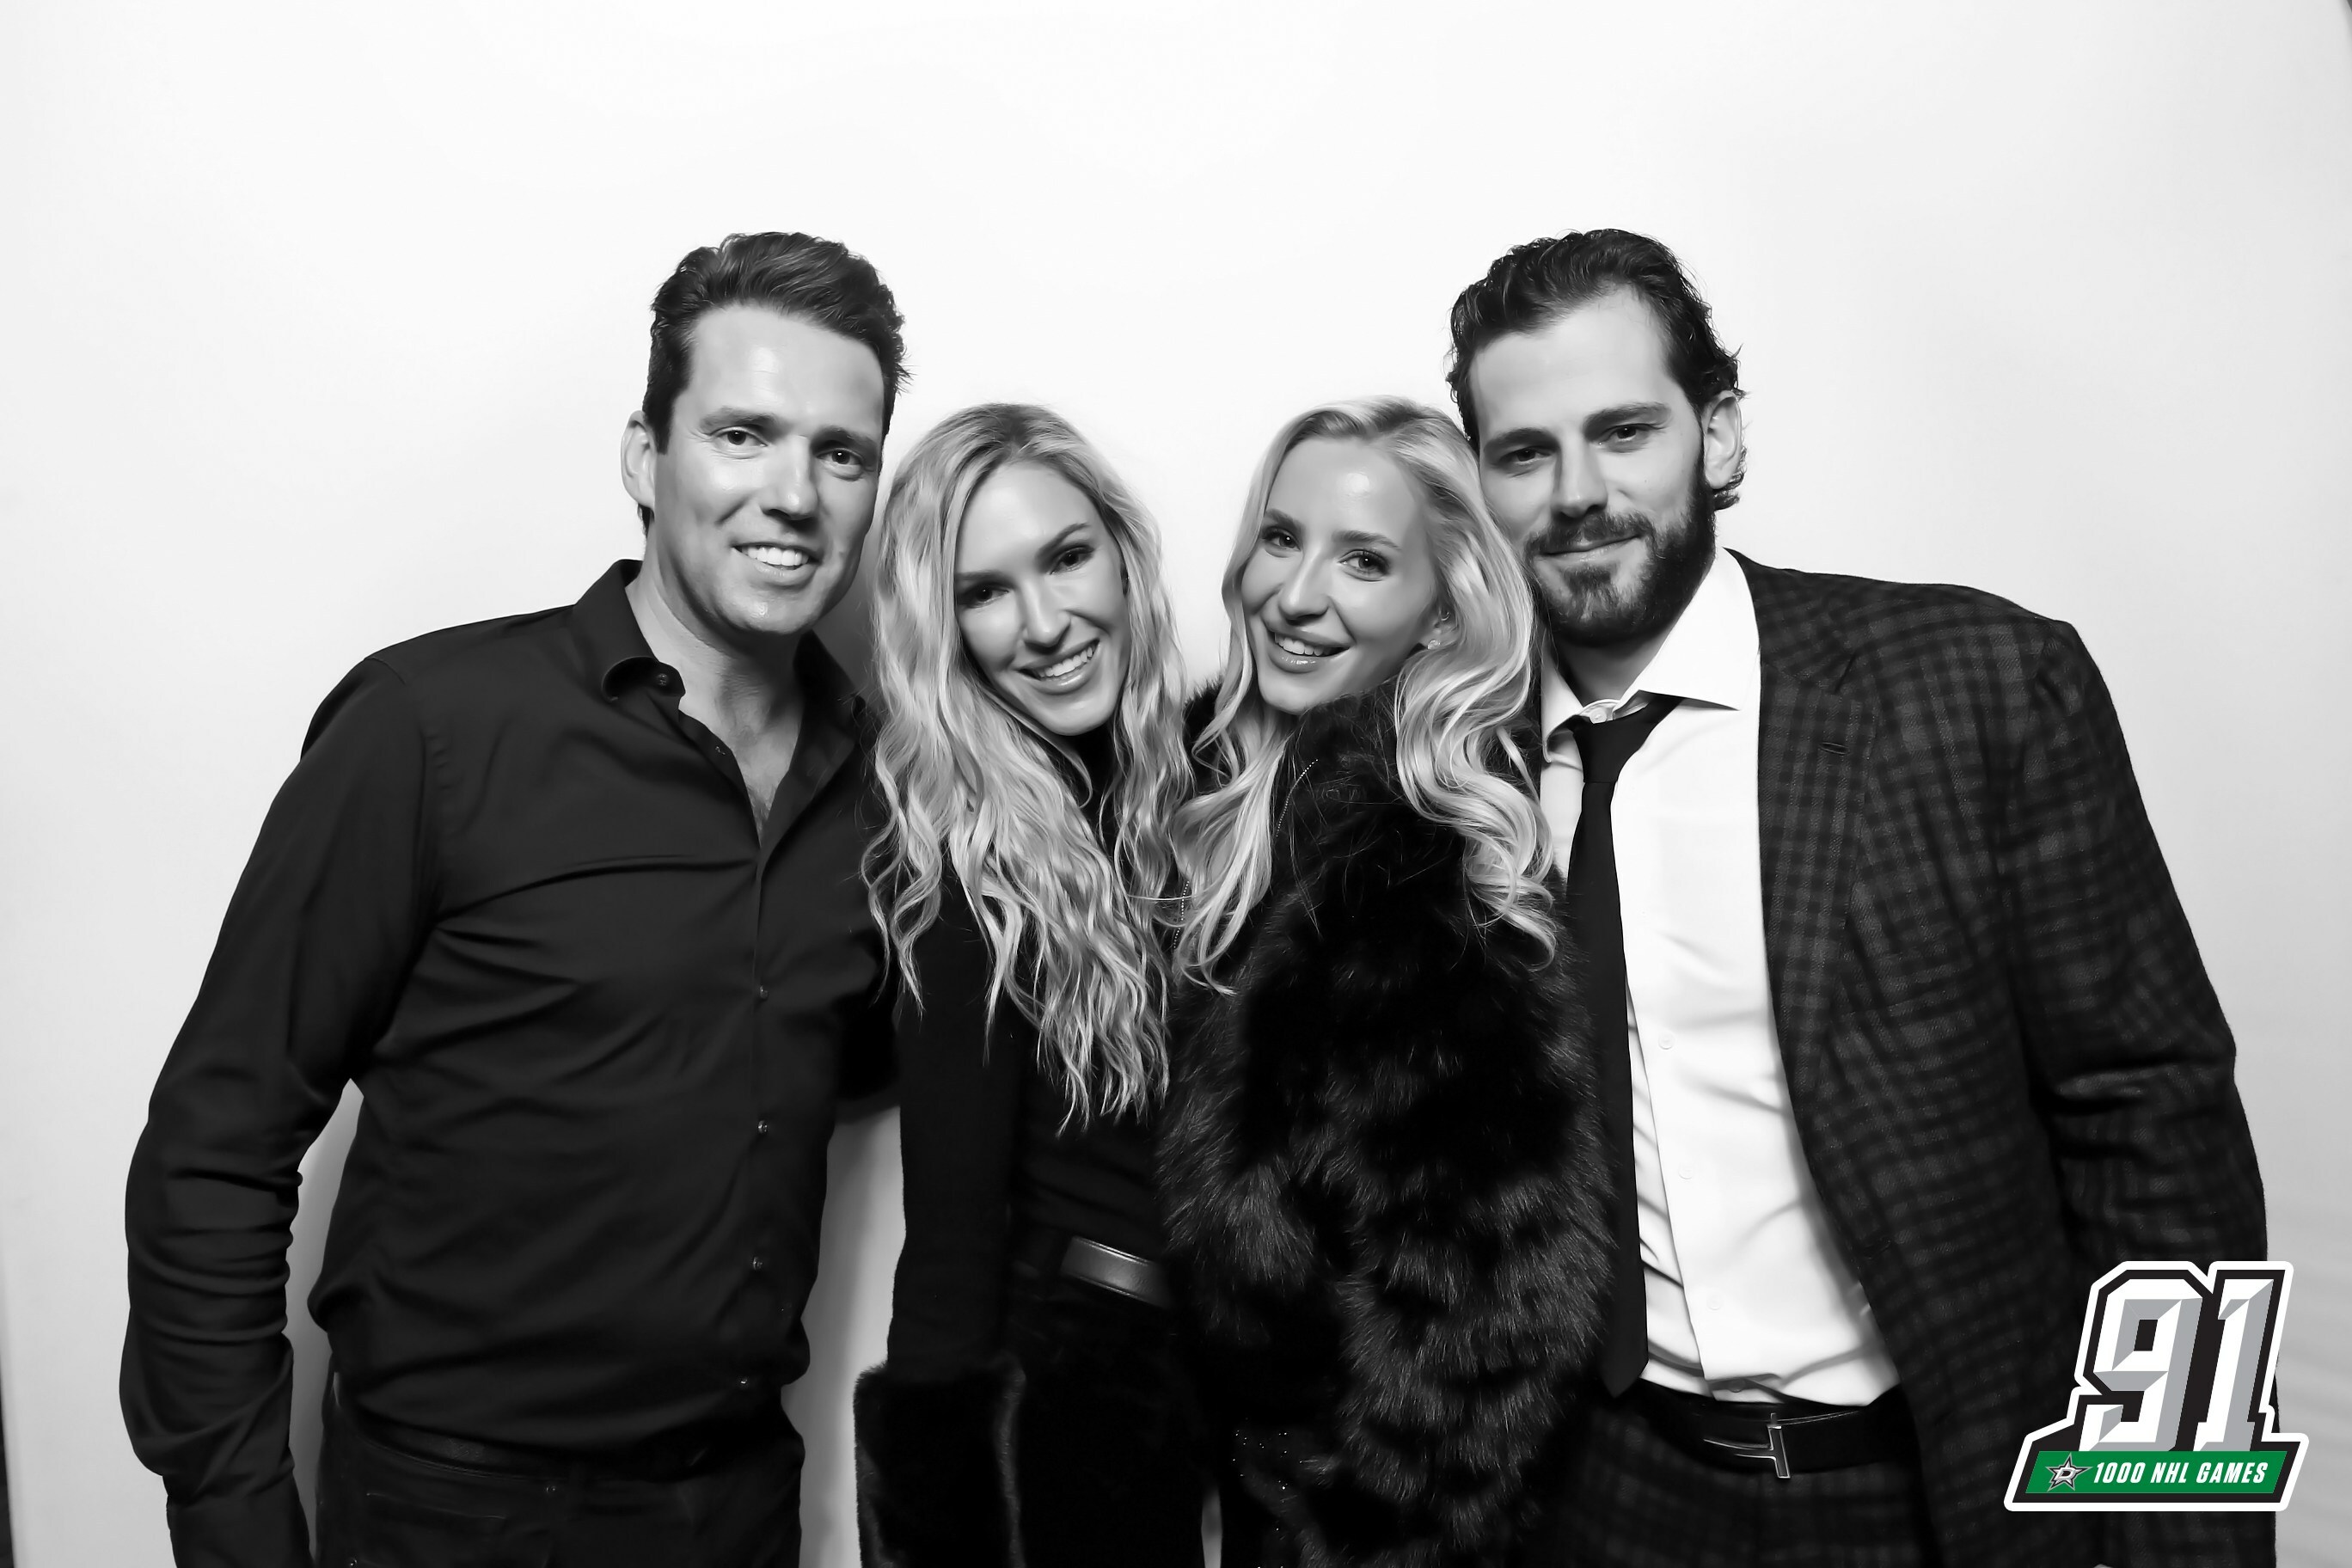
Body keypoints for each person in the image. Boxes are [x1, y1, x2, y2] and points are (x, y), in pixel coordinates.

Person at [1446, 229, 2269, 1566]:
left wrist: (2194, 1535)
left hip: (1943, 1492)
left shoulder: (1977, 687)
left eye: (1626, 432)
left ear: (1720, 439)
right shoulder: (1449, 770)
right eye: (1525, 452)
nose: (1578, 493)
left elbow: (2158, 1131)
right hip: (1605, 1495)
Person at [121, 230, 906, 1568]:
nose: (794, 494)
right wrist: (235, 1522)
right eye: (744, 435)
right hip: (453, 1515)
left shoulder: (887, 788)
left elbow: (854, 1058)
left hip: (736, 1508)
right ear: (645, 459)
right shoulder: (431, 731)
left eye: (842, 454)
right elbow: (217, 1142)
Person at [1160, 398, 1612, 1568]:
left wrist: (1339, 1526)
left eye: (1364, 561)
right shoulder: (1220, 797)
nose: (1297, 596)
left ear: (1440, 613)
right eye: (1281, 538)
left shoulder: (1417, 871)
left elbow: (1488, 1319)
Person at [850, 404, 1204, 1566]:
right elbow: (951, 1242)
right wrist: (931, 1532)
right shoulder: (969, 868)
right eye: (986, 592)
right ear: (943, 629)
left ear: (1121, 553)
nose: (1046, 624)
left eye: (1065, 558)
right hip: (1081, 1392)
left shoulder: (1202, 779)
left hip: (1228, 1384)